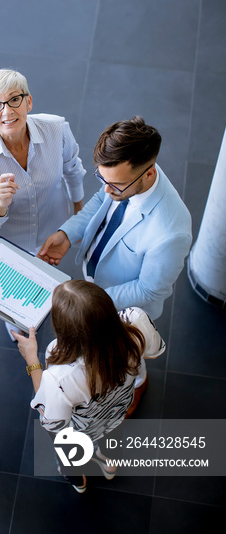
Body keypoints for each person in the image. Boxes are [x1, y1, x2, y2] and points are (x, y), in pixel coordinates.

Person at [38, 116, 191, 411]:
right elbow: (100, 202)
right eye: (102, 179)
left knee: (128, 357)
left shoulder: (172, 231)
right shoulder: (121, 180)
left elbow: (149, 291)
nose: (107, 191)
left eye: (116, 185)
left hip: (123, 309)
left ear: (148, 174)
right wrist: (68, 234)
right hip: (97, 283)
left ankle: (138, 382)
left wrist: (89, 303)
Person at [0, 69, 85, 339]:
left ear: (28, 102)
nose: (6, 111)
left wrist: (78, 218)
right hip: (7, 240)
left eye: (14, 100)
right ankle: (17, 323)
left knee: (44, 284)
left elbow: (73, 172)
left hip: (52, 226)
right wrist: (2, 203)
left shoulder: (57, 130)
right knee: (16, 307)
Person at [12, 280, 166, 493]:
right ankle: (109, 465)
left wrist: (31, 359)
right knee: (113, 437)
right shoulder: (136, 320)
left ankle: (79, 481)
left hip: (80, 429)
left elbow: (50, 417)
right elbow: (153, 351)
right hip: (117, 411)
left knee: (68, 452)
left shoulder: (60, 372)